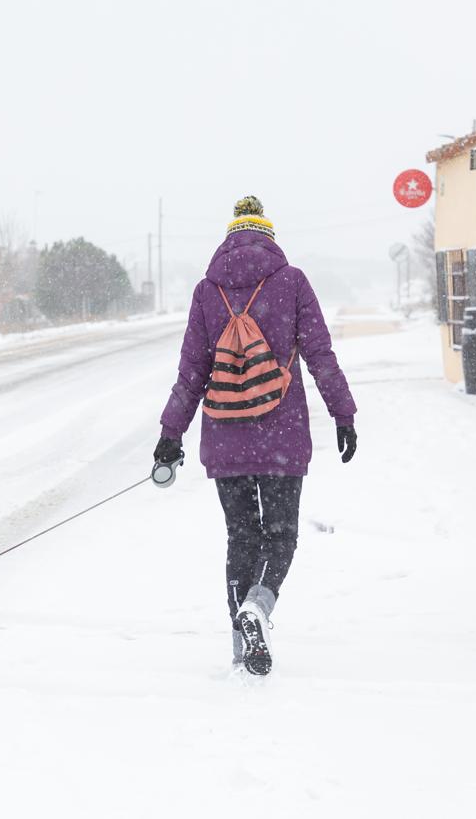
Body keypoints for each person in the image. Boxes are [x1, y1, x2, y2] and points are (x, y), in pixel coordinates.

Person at [154, 196, 357, 676]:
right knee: (280, 535)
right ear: (269, 234)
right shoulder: (291, 282)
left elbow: (191, 371)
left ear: (229, 236)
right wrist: (342, 413)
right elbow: (320, 355)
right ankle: (258, 609)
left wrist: (171, 432)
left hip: (226, 433)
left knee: (240, 537)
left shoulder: (208, 291)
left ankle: (240, 648)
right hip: (282, 434)